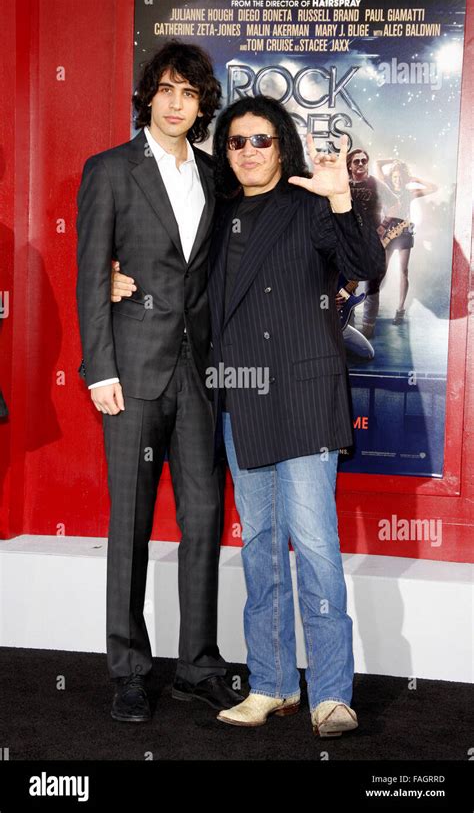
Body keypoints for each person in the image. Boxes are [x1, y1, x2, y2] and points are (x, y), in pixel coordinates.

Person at [115, 96, 385, 736]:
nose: (248, 151)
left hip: (306, 400)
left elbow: (367, 267)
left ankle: (329, 695)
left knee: (316, 549)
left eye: (261, 140)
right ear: (225, 152)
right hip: (243, 401)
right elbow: (177, 280)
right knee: (262, 550)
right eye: (235, 142)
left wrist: (343, 200)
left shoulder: (312, 204)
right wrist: (114, 277)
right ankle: (269, 684)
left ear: (280, 144)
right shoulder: (219, 213)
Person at [76, 40, 242, 724]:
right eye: (167, 90)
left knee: (202, 519)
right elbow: (91, 273)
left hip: (199, 376)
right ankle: (129, 667)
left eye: (190, 92)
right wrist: (100, 367)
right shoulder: (111, 170)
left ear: (203, 104)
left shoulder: (215, 175)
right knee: (132, 525)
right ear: (149, 96)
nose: (177, 103)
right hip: (133, 374)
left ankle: (198, 664)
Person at [374, 158, 437, 325]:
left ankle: (400, 309)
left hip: (404, 231)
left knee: (404, 271)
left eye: (401, 177)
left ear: (405, 178)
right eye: (395, 177)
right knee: (381, 271)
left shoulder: (409, 193)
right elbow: (378, 163)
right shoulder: (386, 188)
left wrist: (415, 179)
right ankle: (371, 304)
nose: (398, 180)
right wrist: (394, 161)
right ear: (391, 177)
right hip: (388, 231)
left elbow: (433, 188)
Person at [346, 148, 398, 338]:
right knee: (347, 282)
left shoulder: (376, 183)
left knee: (373, 283)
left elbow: (395, 203)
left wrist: (384, 225)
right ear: (349, 165)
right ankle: (347, 325)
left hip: (374, 239)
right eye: (356, 161)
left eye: (364, 161)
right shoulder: (343, 184)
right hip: (349, 239)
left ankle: (368, 327)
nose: (360, 164)